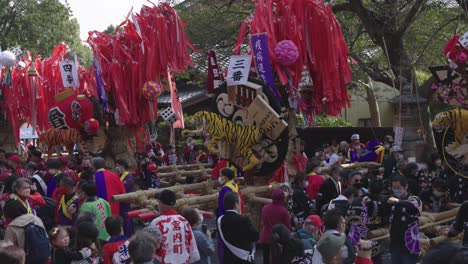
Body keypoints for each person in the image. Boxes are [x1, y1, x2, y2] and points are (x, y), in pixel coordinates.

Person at [150, 190, 200, 263]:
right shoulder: (183, 221)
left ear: (160, 203)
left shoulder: (156, 223)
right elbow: (192, 247)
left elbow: (150, 248)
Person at [3, 199, 50, 264]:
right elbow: (46, 236)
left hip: (26, 260)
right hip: (44, 256)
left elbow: (8, 251)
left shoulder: (12, 227)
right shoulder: (36, 218)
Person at [388, 176, 422, 264]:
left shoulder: (414, 199)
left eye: (398, 188)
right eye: (394, 188)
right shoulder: (391, 199)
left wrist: (398, 201)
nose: (396, 190)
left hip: (409, 242)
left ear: (406, 186)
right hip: (395, 240)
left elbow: (414, 207)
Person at [217, 191, 258, 264]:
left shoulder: (220, 220)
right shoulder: (244, 220)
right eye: (240, 202)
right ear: (236, 205)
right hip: (243, 259)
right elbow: (255, 236)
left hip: (228, 259)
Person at [259, 188, 292, 264]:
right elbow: (288, 227)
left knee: (266, 260)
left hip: (265, 237)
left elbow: (263, 222)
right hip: (278, 240)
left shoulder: (265, 208)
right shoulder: (284, 211)